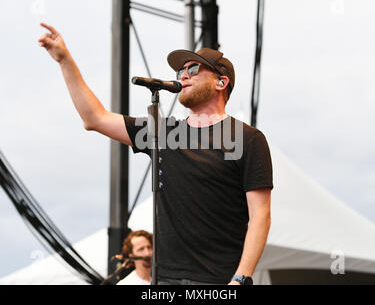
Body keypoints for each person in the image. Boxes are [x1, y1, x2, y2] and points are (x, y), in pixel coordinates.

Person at [38, 22, 273, 285]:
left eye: (193, 69)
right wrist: (64, 59)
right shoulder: (163, 132)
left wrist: (241, 278)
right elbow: (95, 118)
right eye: (180, 70)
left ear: (221, 82)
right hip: (164, 281)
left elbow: (260, 215)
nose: (183, 75)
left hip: (218, 281)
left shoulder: (246, 139)